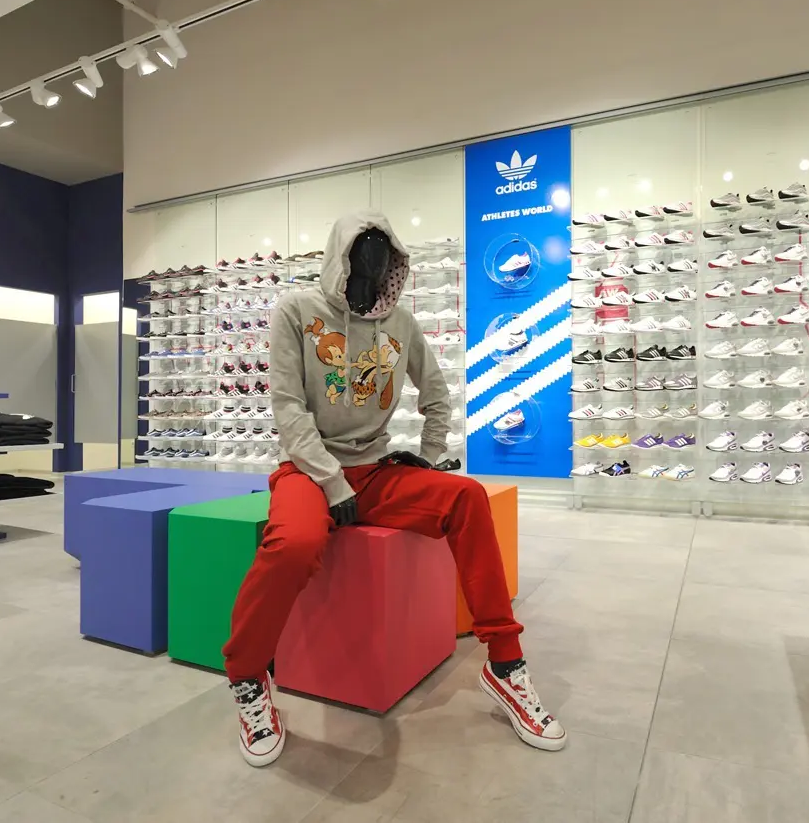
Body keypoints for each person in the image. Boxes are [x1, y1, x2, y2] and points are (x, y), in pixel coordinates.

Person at [222, 211, 566, 767]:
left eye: (382, 264)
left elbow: (437, 395)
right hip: (308, 470)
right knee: (293, 544)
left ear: (395, 267)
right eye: (360, 262)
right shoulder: (296, 311)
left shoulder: (400, 322)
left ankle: (505, 664)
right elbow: (287, 408)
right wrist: (331, 481)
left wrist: (427, 458)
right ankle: (246, 676)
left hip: (375, 470)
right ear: (339, 260)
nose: (371, 274)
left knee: (468, 498)